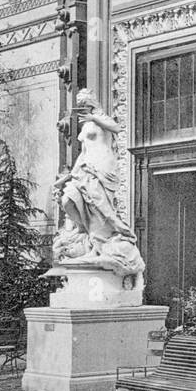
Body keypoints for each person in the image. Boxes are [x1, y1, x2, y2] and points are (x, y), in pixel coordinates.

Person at [51, 88, 145, 279]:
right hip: (85, 168)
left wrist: (94, 118)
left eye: (85, 104)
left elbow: (117, 128)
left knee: (100, 208)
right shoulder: (85, 126)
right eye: (81, 105)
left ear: (92, 103)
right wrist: (66, 177)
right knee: (68, 200)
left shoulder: (101, 119)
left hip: (103, 169)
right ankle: (84, 233)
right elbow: (83, 154)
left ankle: (103, 241)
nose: (83, 108)